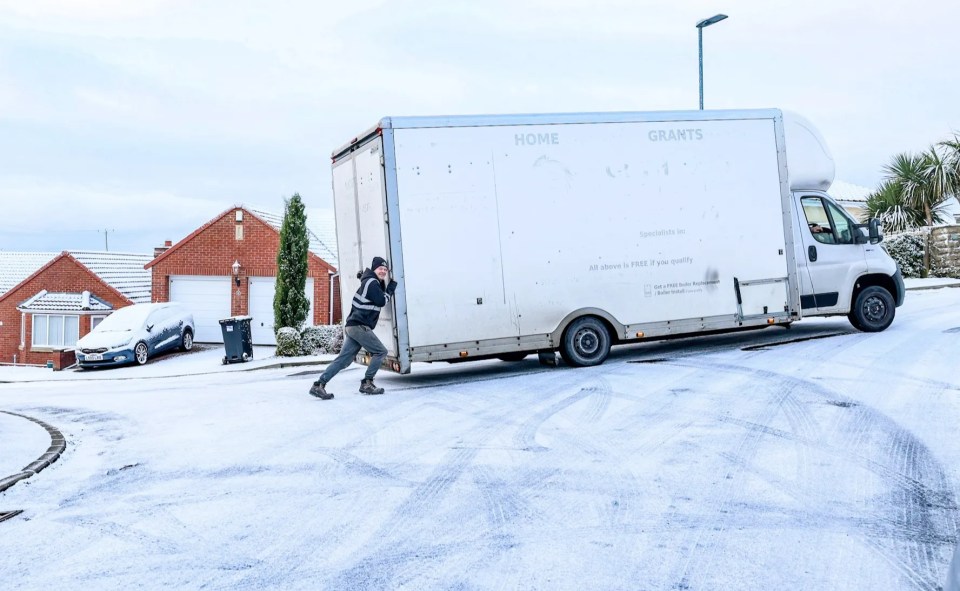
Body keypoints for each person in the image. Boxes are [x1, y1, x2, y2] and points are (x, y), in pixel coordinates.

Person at [309, 256, 397, 399]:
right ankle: (367, 383)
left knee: (343, 360)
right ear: (374, 269)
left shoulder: (369, 281)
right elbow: (381, 301)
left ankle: (319, 385)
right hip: (359, 326)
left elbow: (373, 293)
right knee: (380, 352)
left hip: (353, 326)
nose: (383, 271)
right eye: (381, 268)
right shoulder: (372, 282)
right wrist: (390, 289)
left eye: (385, 270)